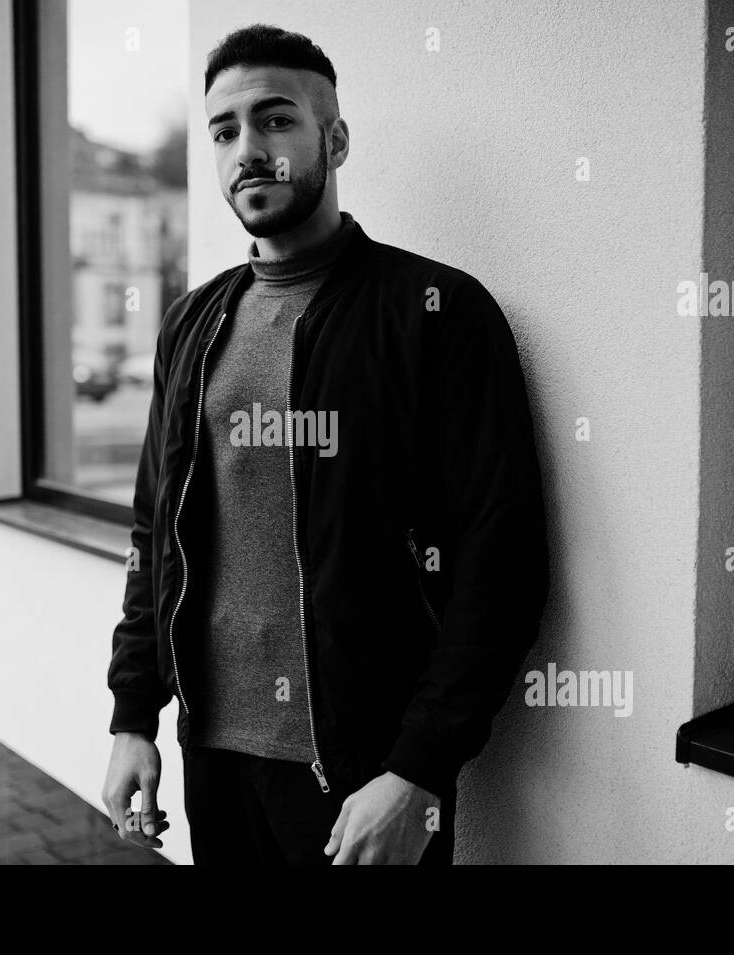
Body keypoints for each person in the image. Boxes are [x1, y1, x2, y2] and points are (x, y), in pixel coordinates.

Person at [101, 23, 550, 865]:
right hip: (215, 761)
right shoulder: (193, 325)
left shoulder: (434, 311)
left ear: (334, 138)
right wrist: (135, 715)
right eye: (225, 131)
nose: (248, 150)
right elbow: (154, 536)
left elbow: (504, 561)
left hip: (362, 778)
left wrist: (417, 769)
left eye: (276, 121)